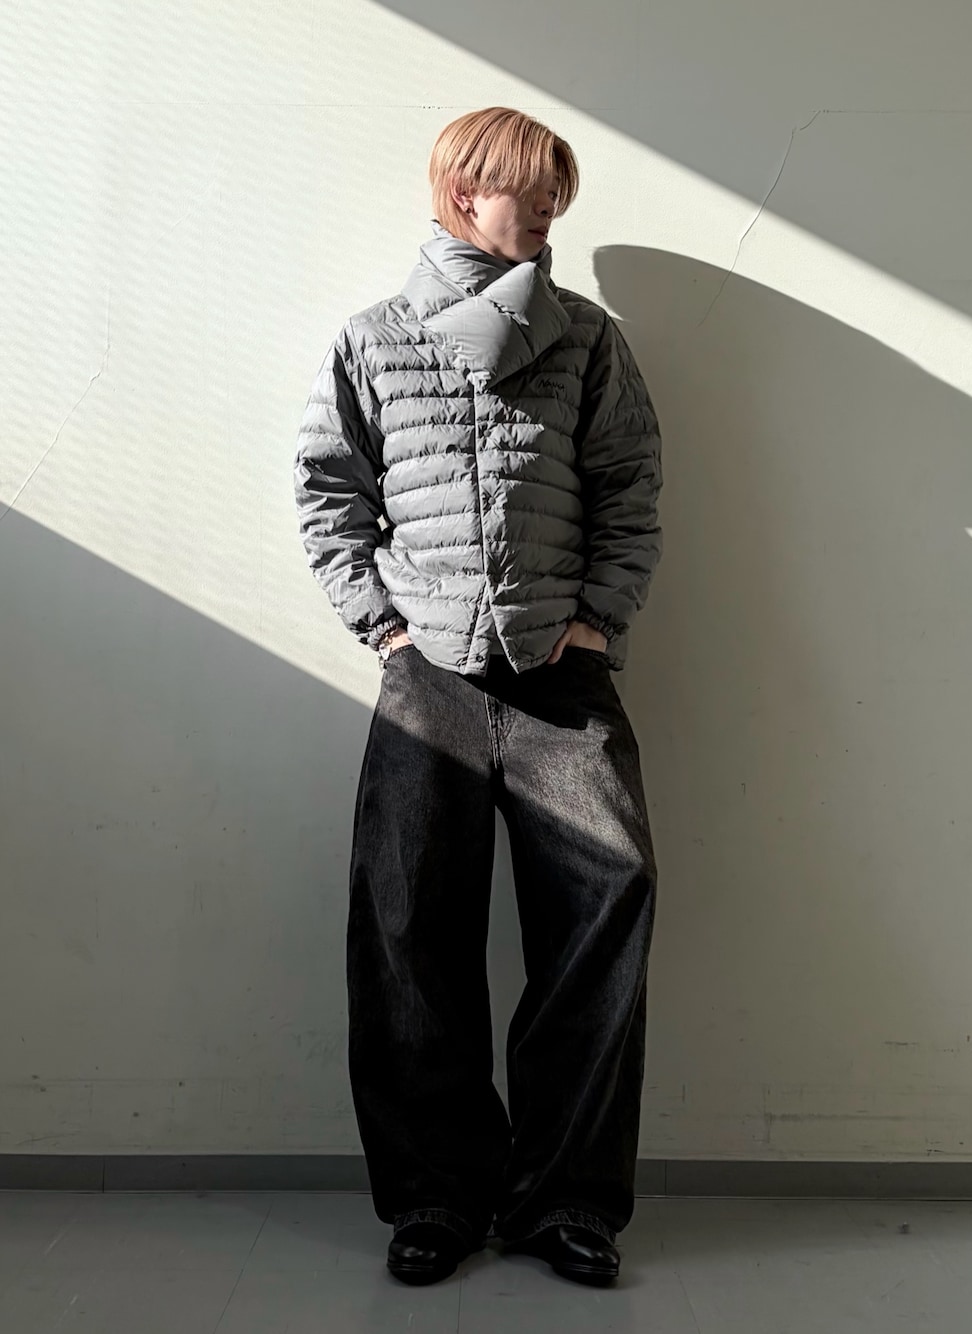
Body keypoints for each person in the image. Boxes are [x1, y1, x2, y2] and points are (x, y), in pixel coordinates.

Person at [292, 106, 662, 1288]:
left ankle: (566, 1198)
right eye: (530, 191)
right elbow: (328, 494)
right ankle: (435, 1195)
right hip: (430, 680)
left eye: (558, 194)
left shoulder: (587, 339)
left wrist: (596, 617)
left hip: (563, 677)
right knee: (408, 928)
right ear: (463, 192)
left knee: (606, 903)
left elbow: (629, 485)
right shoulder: (374, 340)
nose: (549, 211)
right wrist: (384, 625)